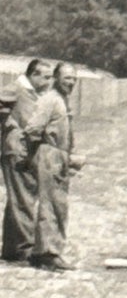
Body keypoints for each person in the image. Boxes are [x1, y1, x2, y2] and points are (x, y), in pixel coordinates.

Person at [25, 62, 85, 271]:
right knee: (51, 205)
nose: (71, 83)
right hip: (50, 154)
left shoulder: (62, 100)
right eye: (67, 78)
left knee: (58, 204)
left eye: (74, 79)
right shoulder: (50, 100)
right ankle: (48, 254)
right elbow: (33, 128)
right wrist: (41, 153)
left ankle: (42, 251)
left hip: (59, 155)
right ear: (57, 78)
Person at [2, 58, 50, 262]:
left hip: (24, 151)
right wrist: (10, 125)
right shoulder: (16, 88)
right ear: (34, 74)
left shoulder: (32, 92)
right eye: (45, 77)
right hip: (16, 151)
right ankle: (24, 248)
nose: (48, 81)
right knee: (24, 198)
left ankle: (12, 249)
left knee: (19, 198)